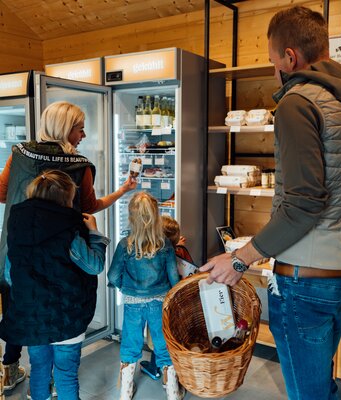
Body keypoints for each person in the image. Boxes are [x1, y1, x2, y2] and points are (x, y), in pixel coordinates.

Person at [200, 6, 341, 400]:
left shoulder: (297, 102)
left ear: (290, 57)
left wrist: (239, 259)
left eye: (274, 62)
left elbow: (304, 203)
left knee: (308, 392)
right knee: (320, 382)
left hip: (305, 281)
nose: (276, 72)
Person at [0, 101, 136, 391]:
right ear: (65, 129)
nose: (83, 135)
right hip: (65, 261)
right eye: (80, 129)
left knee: (22, 306)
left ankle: (11, 370)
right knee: (66, 367)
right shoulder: (79, 166)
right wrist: (122, 191)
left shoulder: (19, 154)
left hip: (19, 248)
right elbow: (90, 208)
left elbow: (2, 193)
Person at [0, 169, 110, 400]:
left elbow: (11, 275)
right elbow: (94, 266)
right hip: (67, 318)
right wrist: (94, 234)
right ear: (66, 200)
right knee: (66, 373)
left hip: (32, 319)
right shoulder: (69, 230)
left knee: (39, 370)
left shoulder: (17, 226)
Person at [107, 192, 185, 400]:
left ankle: (125, 392)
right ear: (156, 216)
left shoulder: (125, 245)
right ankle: (172, 391)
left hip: (133, 303)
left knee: (130, 344)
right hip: (159, 302)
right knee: (162, 344)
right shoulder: (165, 245)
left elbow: (113, 275)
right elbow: (173, 278)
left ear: (131, 218)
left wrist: (125, 287)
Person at [140, 214, 195, 381]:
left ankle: (157, 369)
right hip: (180, 305)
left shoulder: (153, 257)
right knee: (173, 336)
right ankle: (175, 369)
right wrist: (177, 245)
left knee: (158, 337)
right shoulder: (180, 252)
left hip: (160, 305)